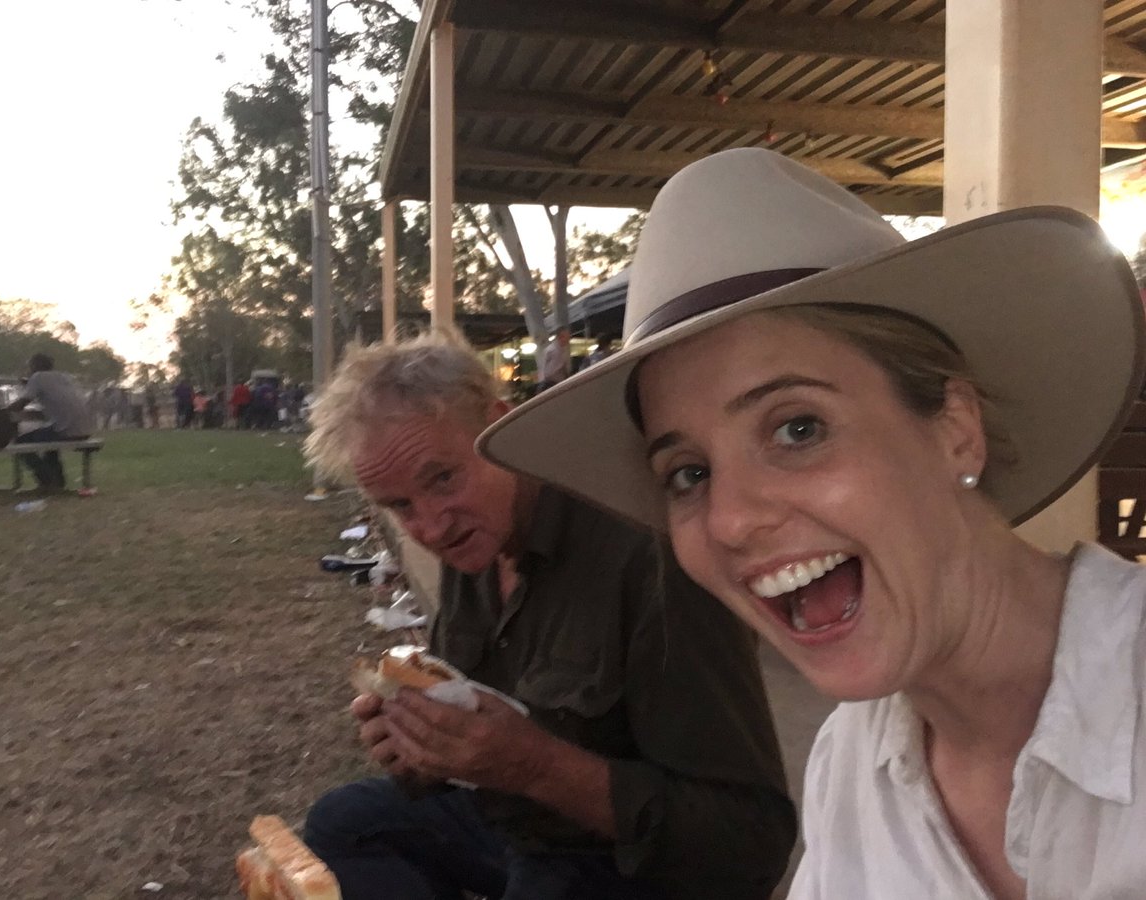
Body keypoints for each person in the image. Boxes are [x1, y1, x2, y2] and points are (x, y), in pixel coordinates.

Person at [480, 148, 1146, 899]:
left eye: (797, 429)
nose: (730, 520)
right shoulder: (851, 767)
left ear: (957, 427)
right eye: (688, 475)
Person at [301, 331, 795, 900]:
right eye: (400, 506)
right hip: (522, 828)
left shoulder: (647, 558)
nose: (432, 527)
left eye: (443, 478)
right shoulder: (474, 544)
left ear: (499, 427)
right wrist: (425, 754)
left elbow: (752, 841)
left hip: (630, 867)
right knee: (347, 823)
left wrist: (536, 765)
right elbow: (484, 743)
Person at [8, 353, 94, 491]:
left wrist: (1, 411)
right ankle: (57, 481)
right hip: (85, 429)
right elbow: (54, 403)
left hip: (67, 430)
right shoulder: (63, 377)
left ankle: (46, 480)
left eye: (29, 367)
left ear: (34, 366)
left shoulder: (38, 377)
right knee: (48, 441)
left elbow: (21, 404)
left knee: (21, 442)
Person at [536, 326, 571, 393]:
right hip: (550, 386)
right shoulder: (553, 351)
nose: (569, 339)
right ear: (561, 337)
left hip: (553, 384)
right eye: (567, 336)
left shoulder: (560, 350)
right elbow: (549, 373)